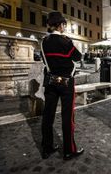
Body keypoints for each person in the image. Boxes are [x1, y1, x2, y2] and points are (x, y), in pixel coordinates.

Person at [41, 11, 84, 160]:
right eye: (63, 24)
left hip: (51, 81)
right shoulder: (66, 41)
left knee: (48, 115)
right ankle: (68, 150)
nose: (64, 27)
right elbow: (78, 57)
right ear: (59, 25)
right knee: (67, 117)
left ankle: (47, 148)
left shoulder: (44, 42)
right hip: (66, 82)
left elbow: (44, 60)